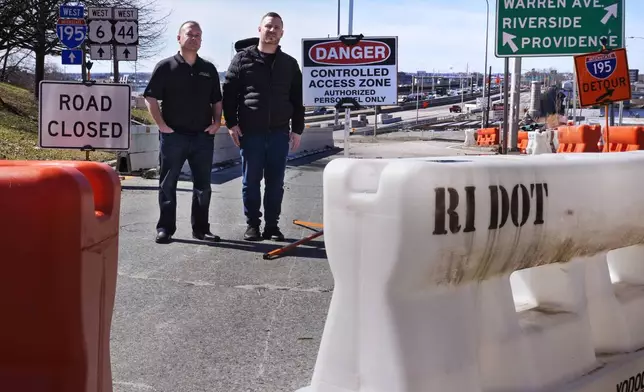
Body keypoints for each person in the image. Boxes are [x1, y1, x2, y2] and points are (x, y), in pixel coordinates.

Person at [222, 12, 305, 241]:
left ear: (282, 32)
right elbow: (229, 93)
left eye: (277, 27)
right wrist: (231, 123)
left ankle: (272, 226)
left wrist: (297, 129)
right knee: (250, 182)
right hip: (251, 134)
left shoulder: (289, 64)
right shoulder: (242, 59)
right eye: (268, 26)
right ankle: (252, 225)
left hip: (279, 133)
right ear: (260, 29)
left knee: (276, 183)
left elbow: (298, 99)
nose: (272, 31)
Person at [143, 21, 223, 244]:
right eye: (190, 34)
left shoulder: (208, 69)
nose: (194, 38)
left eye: (198, 35)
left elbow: (217, 100)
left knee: (203, 186)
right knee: (168, 183)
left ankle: (201, 229)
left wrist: (217, 123)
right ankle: (165, 228)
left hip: (202, 137)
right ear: (179, 38)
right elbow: (150, 97)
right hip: (173, 136)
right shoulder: (166, 67)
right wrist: (161, 126)